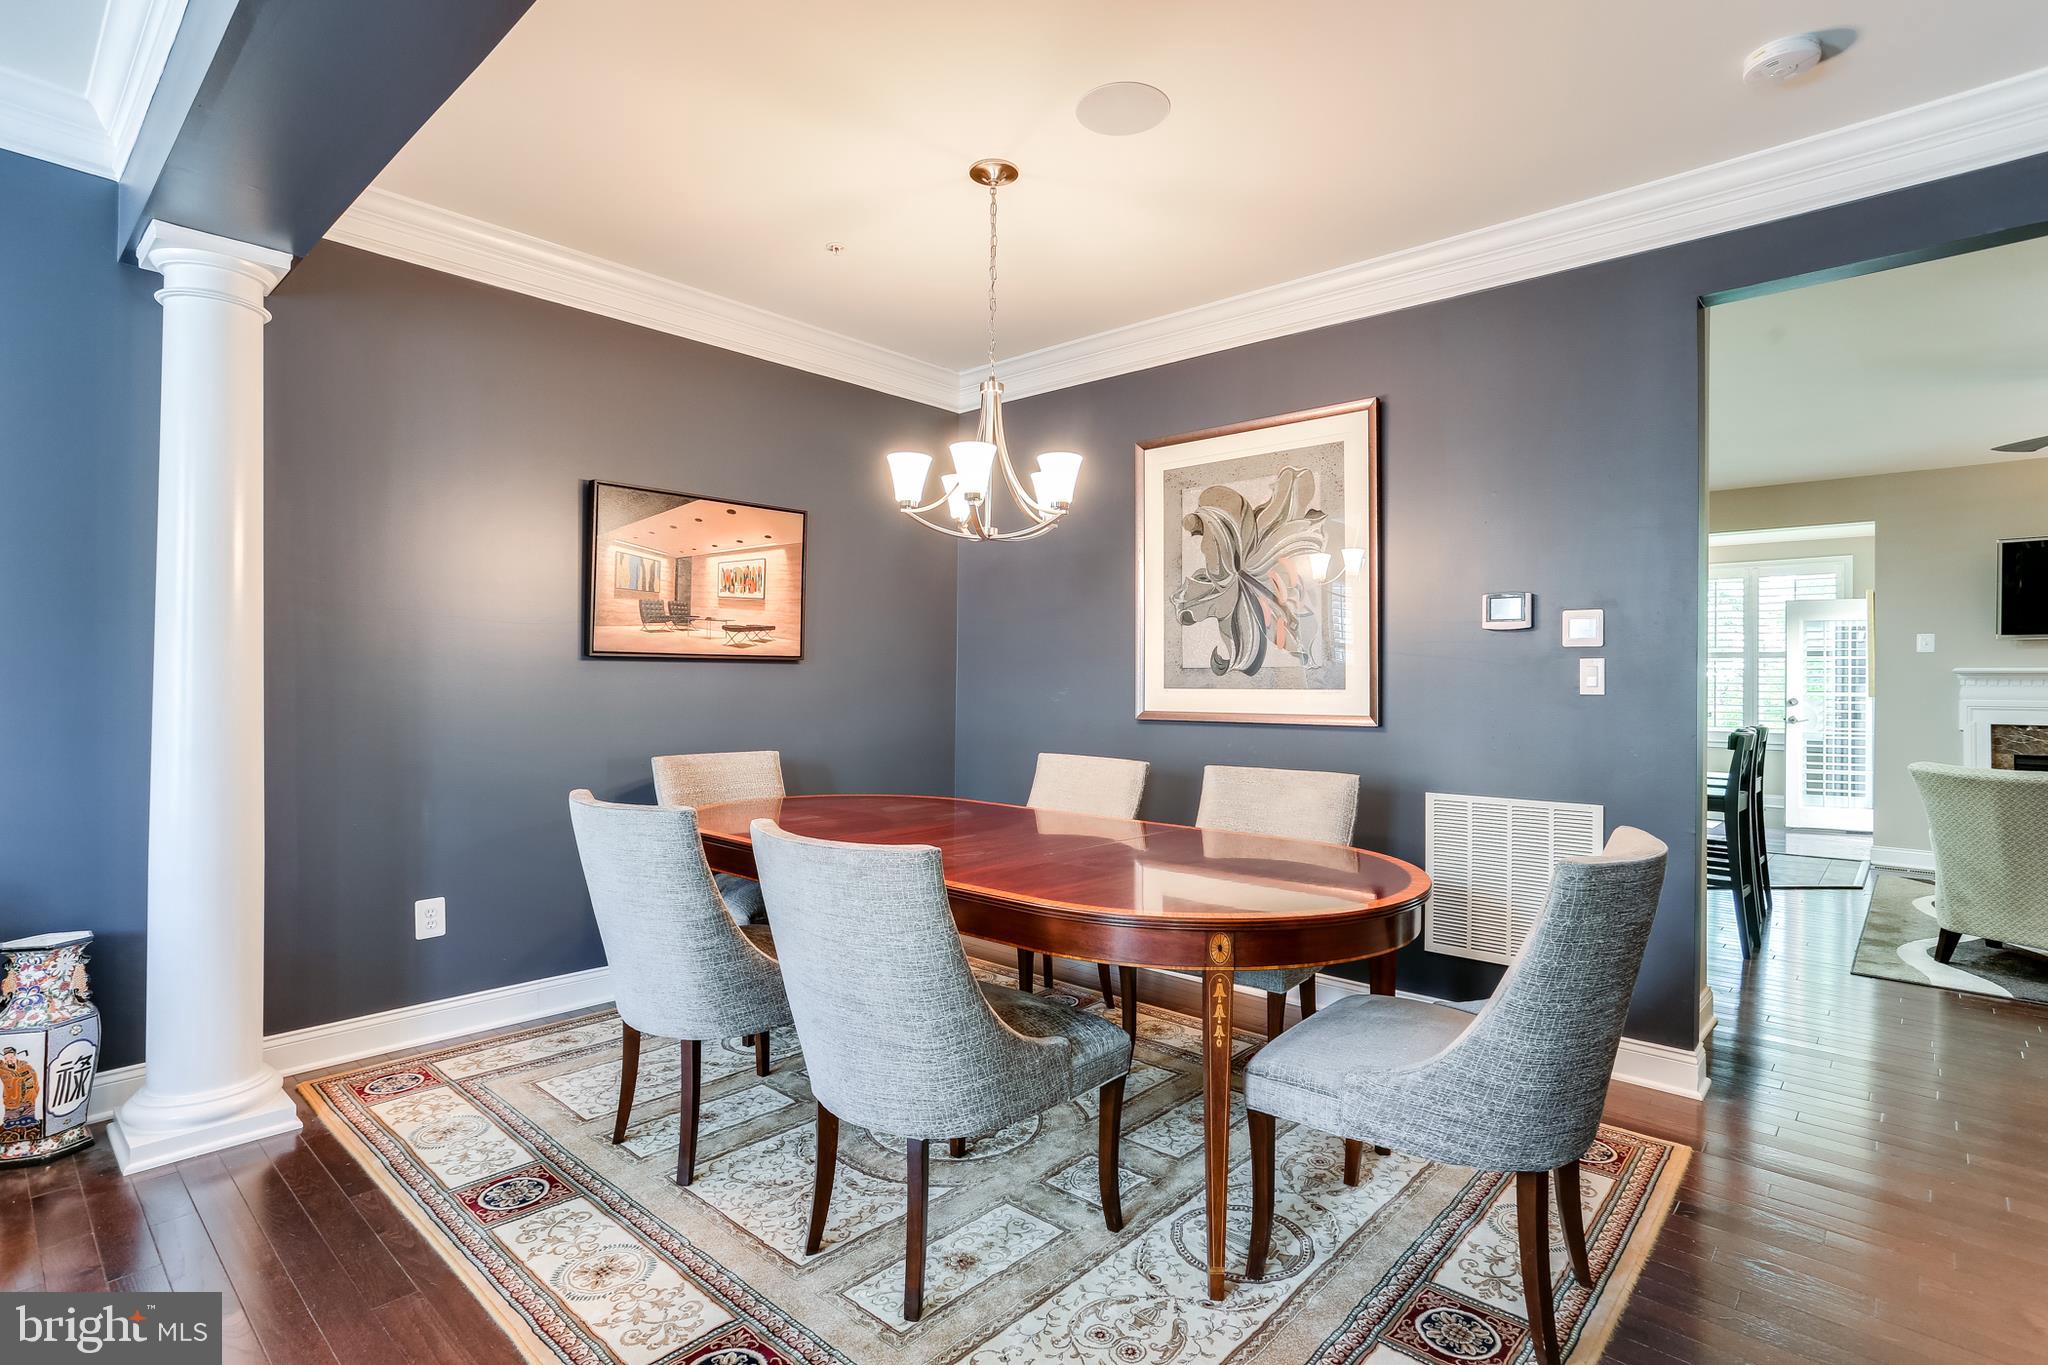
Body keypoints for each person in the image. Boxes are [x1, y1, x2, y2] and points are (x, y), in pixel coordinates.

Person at [0, 1046, 39, 1128]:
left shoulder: (25, 1067)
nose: (9, 1060)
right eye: (6, 1058)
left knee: (29, 1115)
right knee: (11, 1116)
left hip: (27, 1099)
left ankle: (28, 1120)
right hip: (11, 1099)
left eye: (11, 1057)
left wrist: (33, 1095)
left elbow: (33, 1081)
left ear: (15, 1056)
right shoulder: (3, 1069)